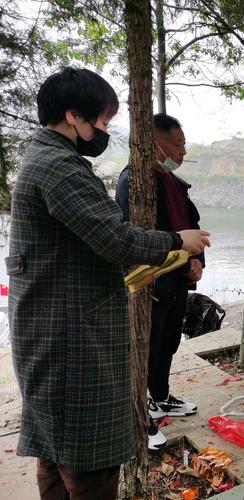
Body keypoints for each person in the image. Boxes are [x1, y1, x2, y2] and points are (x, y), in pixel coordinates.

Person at [6, 67, 210, 500]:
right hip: (70, 342)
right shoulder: (59, 166)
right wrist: (177, 241)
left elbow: (83, 246)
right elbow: (114, 236)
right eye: (101, 121)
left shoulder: (44, 160)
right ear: (73, 115)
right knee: (88, 464)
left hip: (54, 332)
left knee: (56, 457)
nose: (104, 131)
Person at [116, 113, 203, 449]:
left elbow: (190, 224)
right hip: (149, 283)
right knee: (145, 348)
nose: (183, 152)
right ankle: (141, 418)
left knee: (168, 342)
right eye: (177, 144)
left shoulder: (171, 181)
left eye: (184, 144)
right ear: (155, 143)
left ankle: (161, 396)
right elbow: (132, 240)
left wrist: (196, 260)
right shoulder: (133, 183)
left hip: (177, 280)